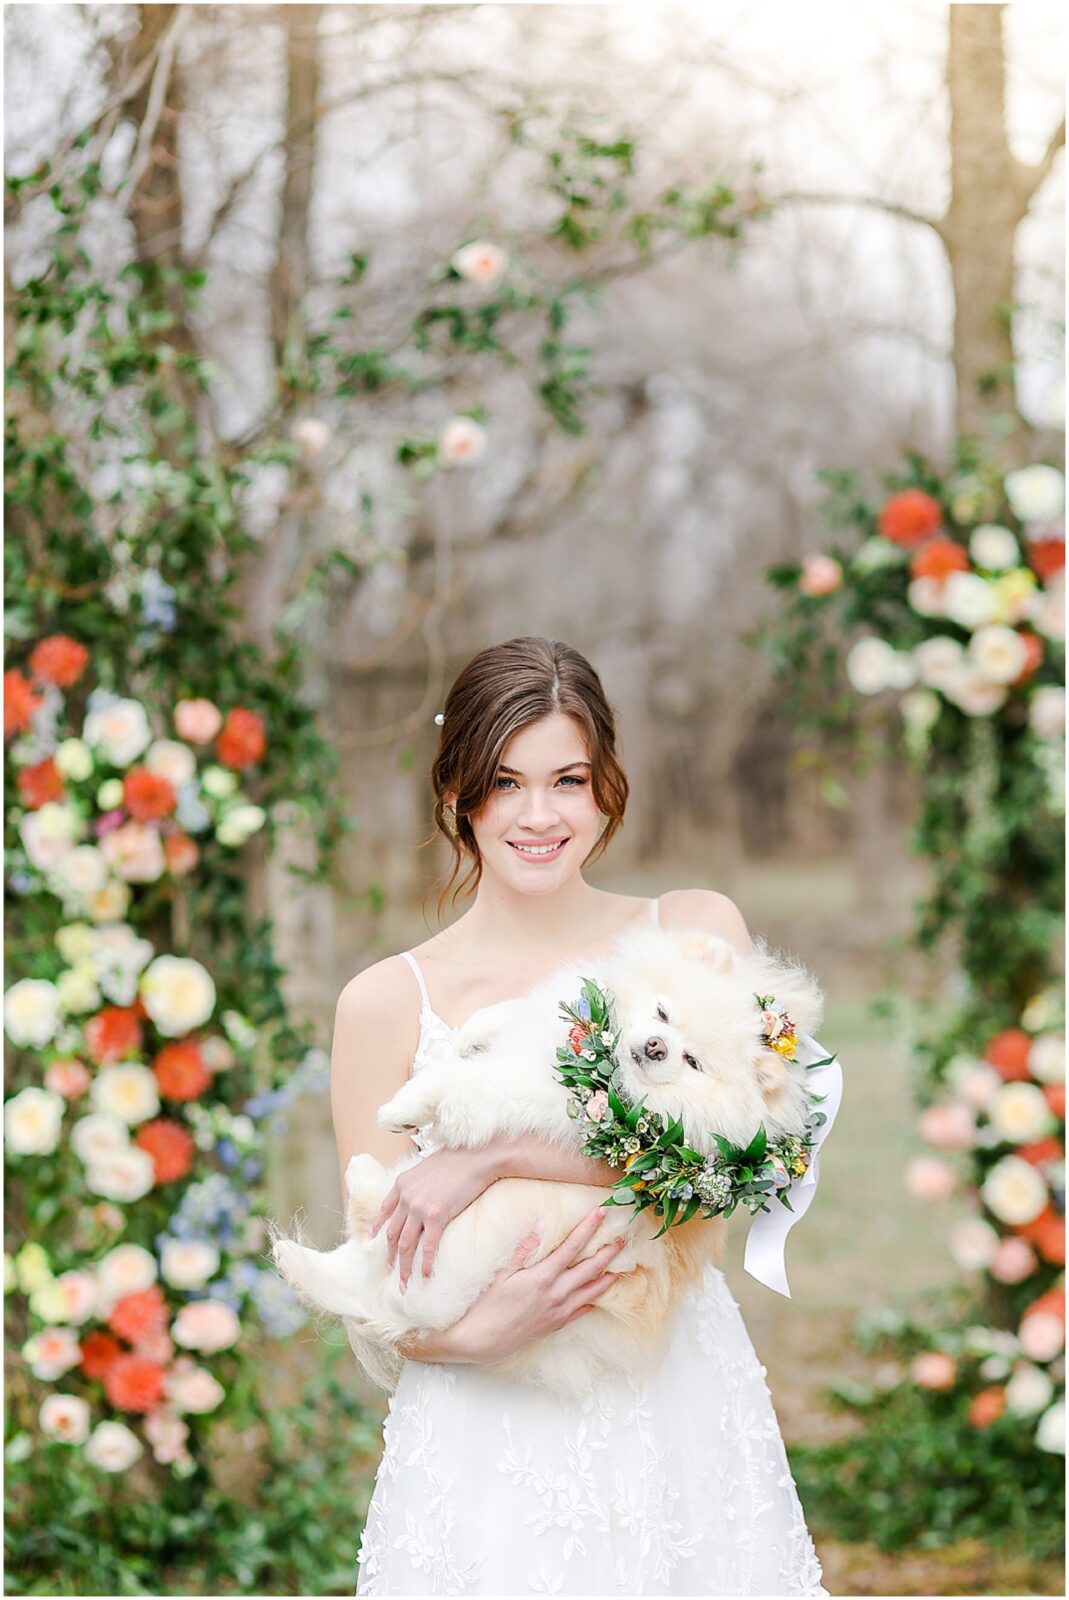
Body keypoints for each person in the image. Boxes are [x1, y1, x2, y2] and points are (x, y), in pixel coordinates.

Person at [333, 636, 829, 1597]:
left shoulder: (690, 934)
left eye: (566, 778)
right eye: (504, 782)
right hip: (485, 1427)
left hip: (671, 1395)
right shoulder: (385, 1003)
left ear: (607, 785)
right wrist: (473, 1339)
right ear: (456, 794)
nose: (538, 815)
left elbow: (752, 1154)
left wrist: (487, 1158)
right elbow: (374, 1280)